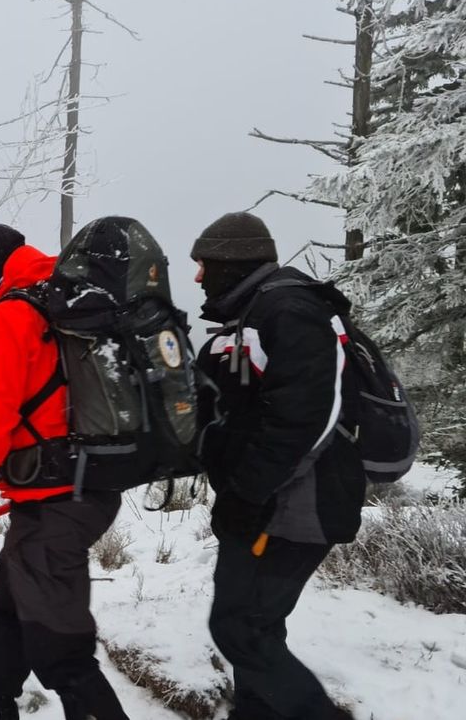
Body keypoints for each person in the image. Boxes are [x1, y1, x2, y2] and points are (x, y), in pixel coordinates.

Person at [0, 224, 128, 720]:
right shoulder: (60, 302)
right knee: (11, 604)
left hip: (56, 500)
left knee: (60, 650)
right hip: (84, 487)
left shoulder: (10, 317)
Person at [191, 212, 361, 720]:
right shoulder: (252, 318)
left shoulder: (289, 309)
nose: (198, 277)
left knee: (238, 627)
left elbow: (308, 417)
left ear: (231, 261)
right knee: (256, 626)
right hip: (265, 503)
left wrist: (247, 494)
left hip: (298, 506)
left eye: (203, 264)